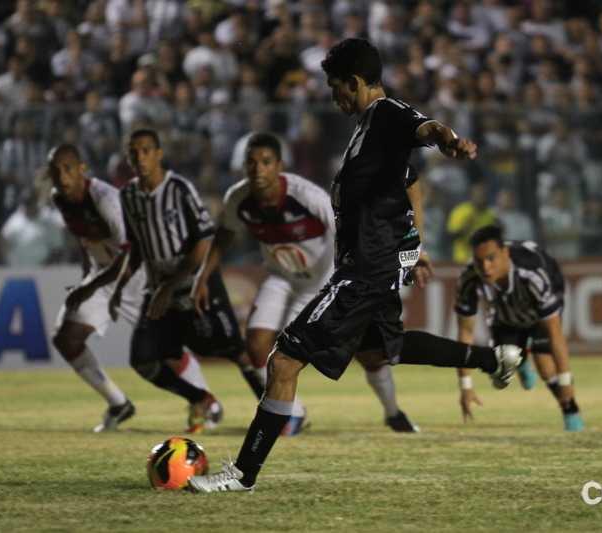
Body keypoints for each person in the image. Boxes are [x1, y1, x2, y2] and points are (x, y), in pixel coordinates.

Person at [188, 38, 521, 493]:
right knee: (386, 351)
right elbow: (408, 181)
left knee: (283, 361)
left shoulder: (386, 114)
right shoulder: (368, 130)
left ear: (356, 82)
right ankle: (494, 358)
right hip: (373, 267)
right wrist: (417, 244)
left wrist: (448, 141)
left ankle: (243, 474)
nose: (333, 97)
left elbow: (425, 127)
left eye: (335, 87)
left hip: (363, 271)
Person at [194, 132, 421, 436]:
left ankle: (393, 412)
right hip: (281, 278)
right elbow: (224, 235)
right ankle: (295, 413)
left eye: (265, 162)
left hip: (326, 280)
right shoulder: (238, 197)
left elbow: (346, 225)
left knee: (369, 352)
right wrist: (203, 275)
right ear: (243, 167)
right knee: (258, 344)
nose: (258, 169)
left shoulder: (304, 195)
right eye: (251, 163)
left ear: (280, 166)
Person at [104, 128, 265, 433]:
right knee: (143, 359)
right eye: (133, 152)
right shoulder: (128, 195)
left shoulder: (179, 188)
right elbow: (136, 247)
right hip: (160, 290)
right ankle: (200, 398)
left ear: (158, 154)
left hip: (196, 283)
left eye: (145, 150)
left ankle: (272, 408)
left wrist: (170, 284)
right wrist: (119, 288)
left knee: (233, 349)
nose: (139, 157)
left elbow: (204, 242)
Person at [47, 143, 211, 432]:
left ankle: (206, 402)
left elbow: (129, 251)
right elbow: (83, 234)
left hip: (137, 276)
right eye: (55, 170)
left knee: (165, 351)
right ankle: (118, 403)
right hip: (103, 276)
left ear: (82, 169)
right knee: (65, 338)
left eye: (68, 168)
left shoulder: (105, 199)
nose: (62, 176)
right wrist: (88, 269)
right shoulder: (59, 198)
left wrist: (90, 286)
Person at [453, 224, 583, 431]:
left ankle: (570, 409)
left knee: (547, 368)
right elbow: (465, 332)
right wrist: (465, 386)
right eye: (479, 261)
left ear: (505, 253)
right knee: (500, 373)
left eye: (491, 258)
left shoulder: (532, 274)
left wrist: (566, 381)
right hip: (505, 308)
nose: (485, 267)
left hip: (542, 298)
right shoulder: (469, 277)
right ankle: (523, 356)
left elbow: (555, 331)